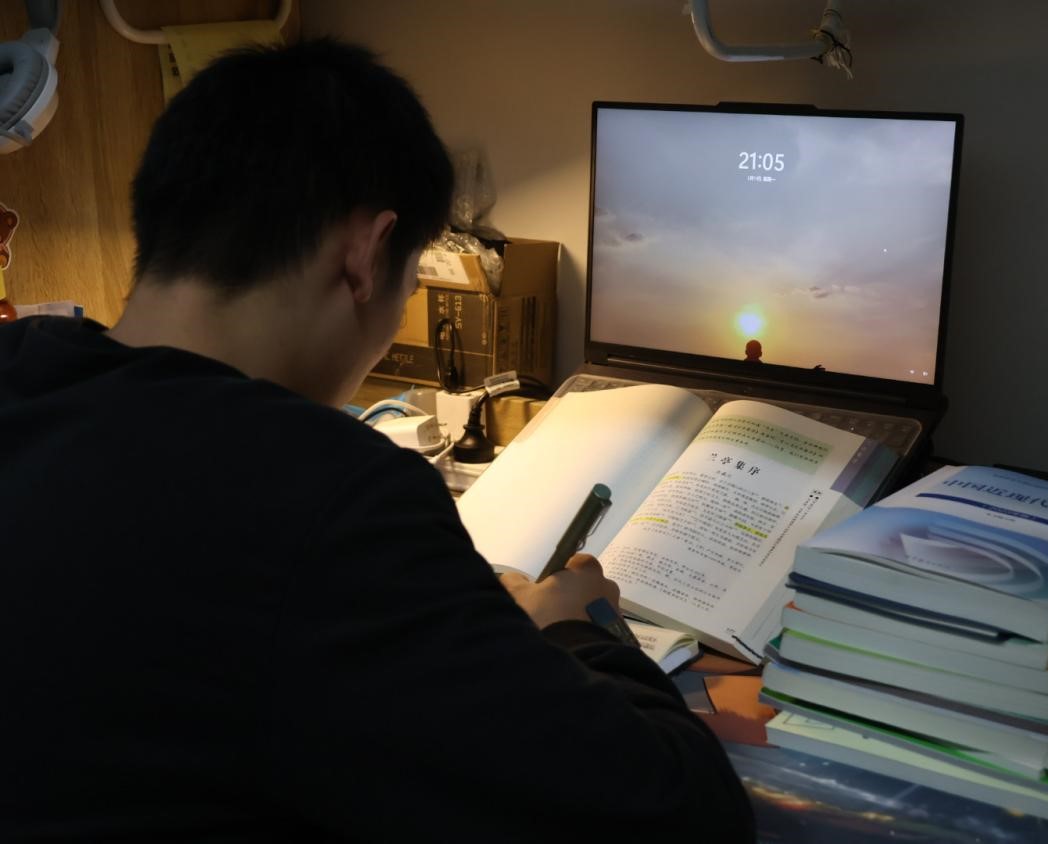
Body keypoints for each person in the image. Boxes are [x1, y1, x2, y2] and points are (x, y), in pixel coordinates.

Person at [0, 40, 754, 842]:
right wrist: (580, 631)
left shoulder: (21, 370)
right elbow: (686, 816)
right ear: (365, 254)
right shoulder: (328, 498)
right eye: (411, 278)